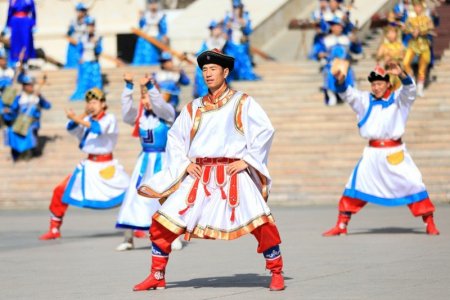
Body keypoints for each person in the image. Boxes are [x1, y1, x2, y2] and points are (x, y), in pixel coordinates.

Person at [132, 49, 284, 292]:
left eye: (213, 69)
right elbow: (175, 138)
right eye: (204, 69)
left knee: (261, 222)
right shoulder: (193, 107)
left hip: (232, 173)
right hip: (200, 174)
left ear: (225, 72)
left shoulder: (242, 101)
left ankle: (276, 271)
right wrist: (185, 163)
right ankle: (157, 274)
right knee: (162, 223)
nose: (208, 73)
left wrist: (248, 159)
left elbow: (265, 130)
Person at [322, 62, 440, 237]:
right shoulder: (364, 100)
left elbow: (410, 90)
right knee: (354, 185)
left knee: (414, 183)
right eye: (373, 84)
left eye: (380, 83)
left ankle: (429, 222)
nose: (376, 87)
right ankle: (341, 225)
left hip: (395, 152)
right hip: (372, 154)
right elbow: (348, 94)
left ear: (388, 84)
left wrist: (402, 75)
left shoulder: (399, 99)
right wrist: (340, 81)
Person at [39, 88, 130, 240]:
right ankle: (54, 229)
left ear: (103, 104)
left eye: (94, 102)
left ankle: (137, 227)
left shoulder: (109, 118)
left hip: (107, 166)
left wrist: (78, 118)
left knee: (131, 193)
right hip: (88, 166)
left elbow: (98, 128)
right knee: (60, 190)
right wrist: (82, 115)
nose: (91, 105)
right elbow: (71, 128)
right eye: (89, 103)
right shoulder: (86, 120)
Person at [115, 73, 183, 251]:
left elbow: (160, 105)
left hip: (163, 160)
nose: (145, 101)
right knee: (134, 196)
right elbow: (126, 114)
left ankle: (173, 236)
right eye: (143, 97)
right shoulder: (142, 116)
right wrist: (128, 88)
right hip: (144, 161)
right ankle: (128, 238)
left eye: (148, 97)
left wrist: (151, 88)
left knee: (166, 197)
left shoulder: (167, 113)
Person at [315, 16, 362, 105]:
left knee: (349, 73)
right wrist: (321, 54)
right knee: (328, 73)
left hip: (345, 64)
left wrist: (356, 42)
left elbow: (357, 50)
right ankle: (332, 96)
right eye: (336, 26)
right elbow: (318, 51)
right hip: (331, 64)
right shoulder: (325, 40)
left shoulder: (347, 39)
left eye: (340, 26)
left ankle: (351, 96)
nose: (338, 28)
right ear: (332, 27)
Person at [4, 74, 50, 161]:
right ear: (24, 86)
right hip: (21, 121)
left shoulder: (37, 97)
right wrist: (9, 111)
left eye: (32, 85)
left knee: (29, 131)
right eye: (28, 85)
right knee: (11, 130)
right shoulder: (19, 98)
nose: (31, 86)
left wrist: (41, 98)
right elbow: (13, 110)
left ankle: (30, 151)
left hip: (33, 122)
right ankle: (16, 153)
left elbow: (47, 106)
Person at [402, 0, 434, 97]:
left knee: (422, 67)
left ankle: (420, 88)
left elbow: (431, 27)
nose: (417, 9)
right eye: (415, 7)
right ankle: (412, 83)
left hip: (424, 45)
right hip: (413, 44)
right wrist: (411, 31)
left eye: (419, 7)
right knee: (405, 62)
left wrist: (419, 31)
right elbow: (406, 28)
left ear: (422, 8)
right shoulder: (410, 19)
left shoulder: (426, 18)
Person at [223, 2, 260, 81]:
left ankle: (242, 75)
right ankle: (232, 75)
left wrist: (245, 25)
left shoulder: (244, 17)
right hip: (231, 43)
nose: (236, 10)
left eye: (238, 8)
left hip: (241, 43)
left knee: (243, 60)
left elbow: (248, 31)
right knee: (231, 59)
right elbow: (224, 31)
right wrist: (227, 27)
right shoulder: (229, 17)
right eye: (234, 7)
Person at [70, 16, 103, 101]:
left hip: (94, 63)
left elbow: (99, 51)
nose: (90, 27)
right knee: (84, 82)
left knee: (96, 82)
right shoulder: (82, 38)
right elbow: (78, 51)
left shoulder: (97, 37)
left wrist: (96, 45)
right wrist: (79, 59)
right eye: (89, 25)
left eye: (92, 25)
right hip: (85, 63)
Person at [193, 20, 227, 98]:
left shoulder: (223, 40)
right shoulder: (207, 41)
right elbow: (201, 52)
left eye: (216, 28)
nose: (214, 31)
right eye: (213, 29)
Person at [132, 0, 168, 66]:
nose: (153, 5)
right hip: (145, 37)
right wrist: (140, 17)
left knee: (154, 53)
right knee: (143, 49)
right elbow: (141, 25)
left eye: (155, 3)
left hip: (156, 37)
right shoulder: (145, 15)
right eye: (151, 4)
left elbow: (163, 27)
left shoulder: (161, 15)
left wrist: (164, 35)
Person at [6, 0, 36, 66]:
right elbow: (9, 12)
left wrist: (33, 23)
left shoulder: (29, 1)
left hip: (25, 22)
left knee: (26, 41)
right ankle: (16, 60)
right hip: (15, 22)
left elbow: (33, 11)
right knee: (16, 41)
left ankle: (25, 60)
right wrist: (8, 25)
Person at [376, 22, 405, 90]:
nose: (391, 35)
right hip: (388, 72)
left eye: (393, 32)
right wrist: (384, 59)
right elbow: (378, 58)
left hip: (398, 73)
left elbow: (404, 58)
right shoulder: (384, 46)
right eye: (389, 33)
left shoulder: (400, 45)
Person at [65, 2, 89, 69]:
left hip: (85, 48)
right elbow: (67, 36)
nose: (81, 12)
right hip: (73, 48)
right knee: (72, 67)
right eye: (80, 10)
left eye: (83, 10)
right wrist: (75, 42)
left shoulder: (88, 22)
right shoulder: (73, 22)